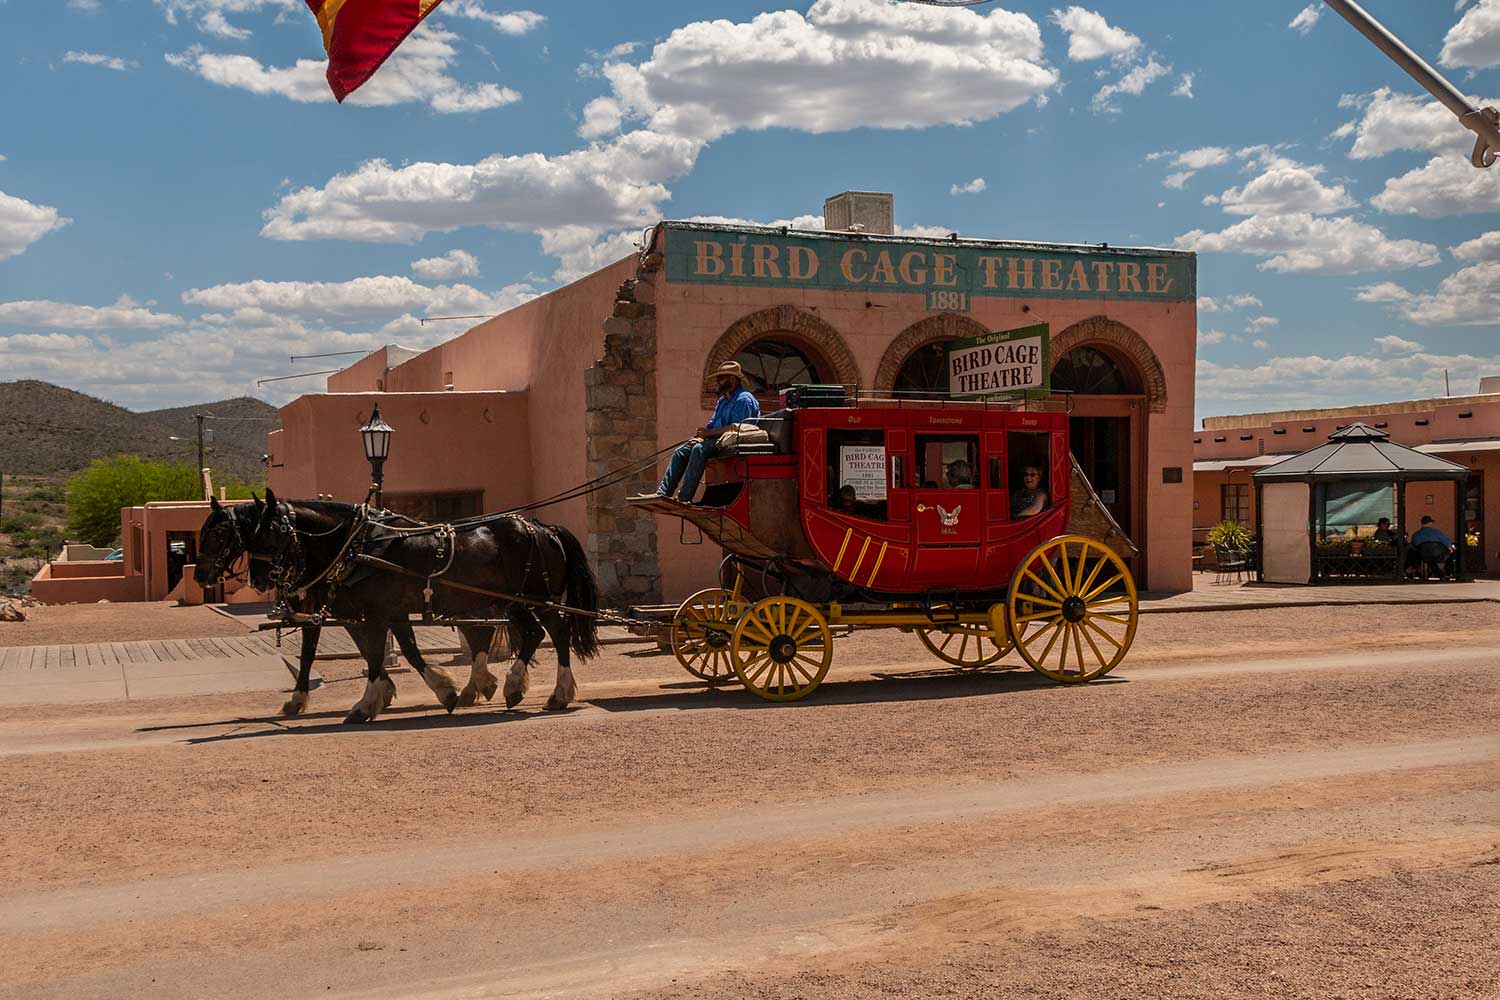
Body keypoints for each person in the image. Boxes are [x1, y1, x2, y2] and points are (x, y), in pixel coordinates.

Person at [639, 360, 760, 503]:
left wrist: (707, 436)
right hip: (717, 440)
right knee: (681, 451)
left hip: (733, 442)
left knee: (699, 450)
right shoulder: (722, 401)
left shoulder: (743, 399)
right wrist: (701, 437)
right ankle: (663, 492)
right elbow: (712, 426)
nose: (717, 382)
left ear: (732, 379)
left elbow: (738, 428)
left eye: (721, 378)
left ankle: (684, 497)